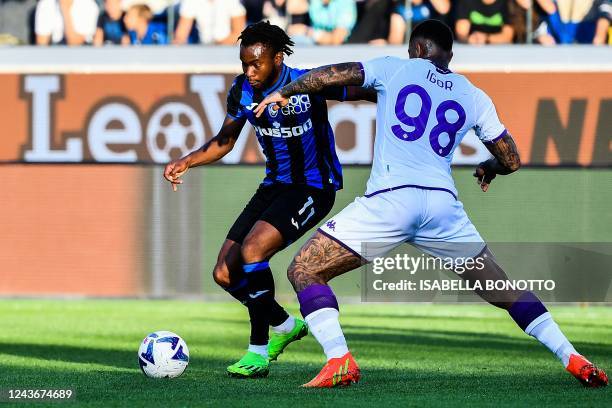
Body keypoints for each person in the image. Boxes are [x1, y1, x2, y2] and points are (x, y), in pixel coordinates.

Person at [254, 19, 609, 388]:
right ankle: (573, 356)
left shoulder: (397, 67)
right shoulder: (473, 94)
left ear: (418, 49)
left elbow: (335, 74)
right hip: (442, 208)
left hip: (392, 200)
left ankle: (339, 359)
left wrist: (287, 90)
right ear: (449, 55)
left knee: (305, 270)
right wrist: (490, 167)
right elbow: (511, 158)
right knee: (503, 289)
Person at [163, 21, 375, 378]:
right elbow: (225, 140)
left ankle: (258, 351)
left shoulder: (308, 84)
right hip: (274, 185)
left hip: (313, 187)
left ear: (278, 58)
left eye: (255, 63)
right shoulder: (242, 90)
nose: (249, 71)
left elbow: (367, 92)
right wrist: (187, 160)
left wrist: (402, 99)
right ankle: (284, 325)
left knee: (253, 251)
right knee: (225, 274)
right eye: (244, 63)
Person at [173, 0, 246, 44]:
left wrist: (217, 45)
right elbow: (181, 35)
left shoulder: (232, 2)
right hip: (204, 50)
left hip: (231, 51)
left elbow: (239, 34)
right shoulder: (191, 2)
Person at [35, 0, 99, 45]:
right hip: (54, 54)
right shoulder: (45, 4)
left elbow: (75, 45)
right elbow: (41, 44)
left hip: (81, 57)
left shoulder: (89, 5)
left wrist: (65, 9)